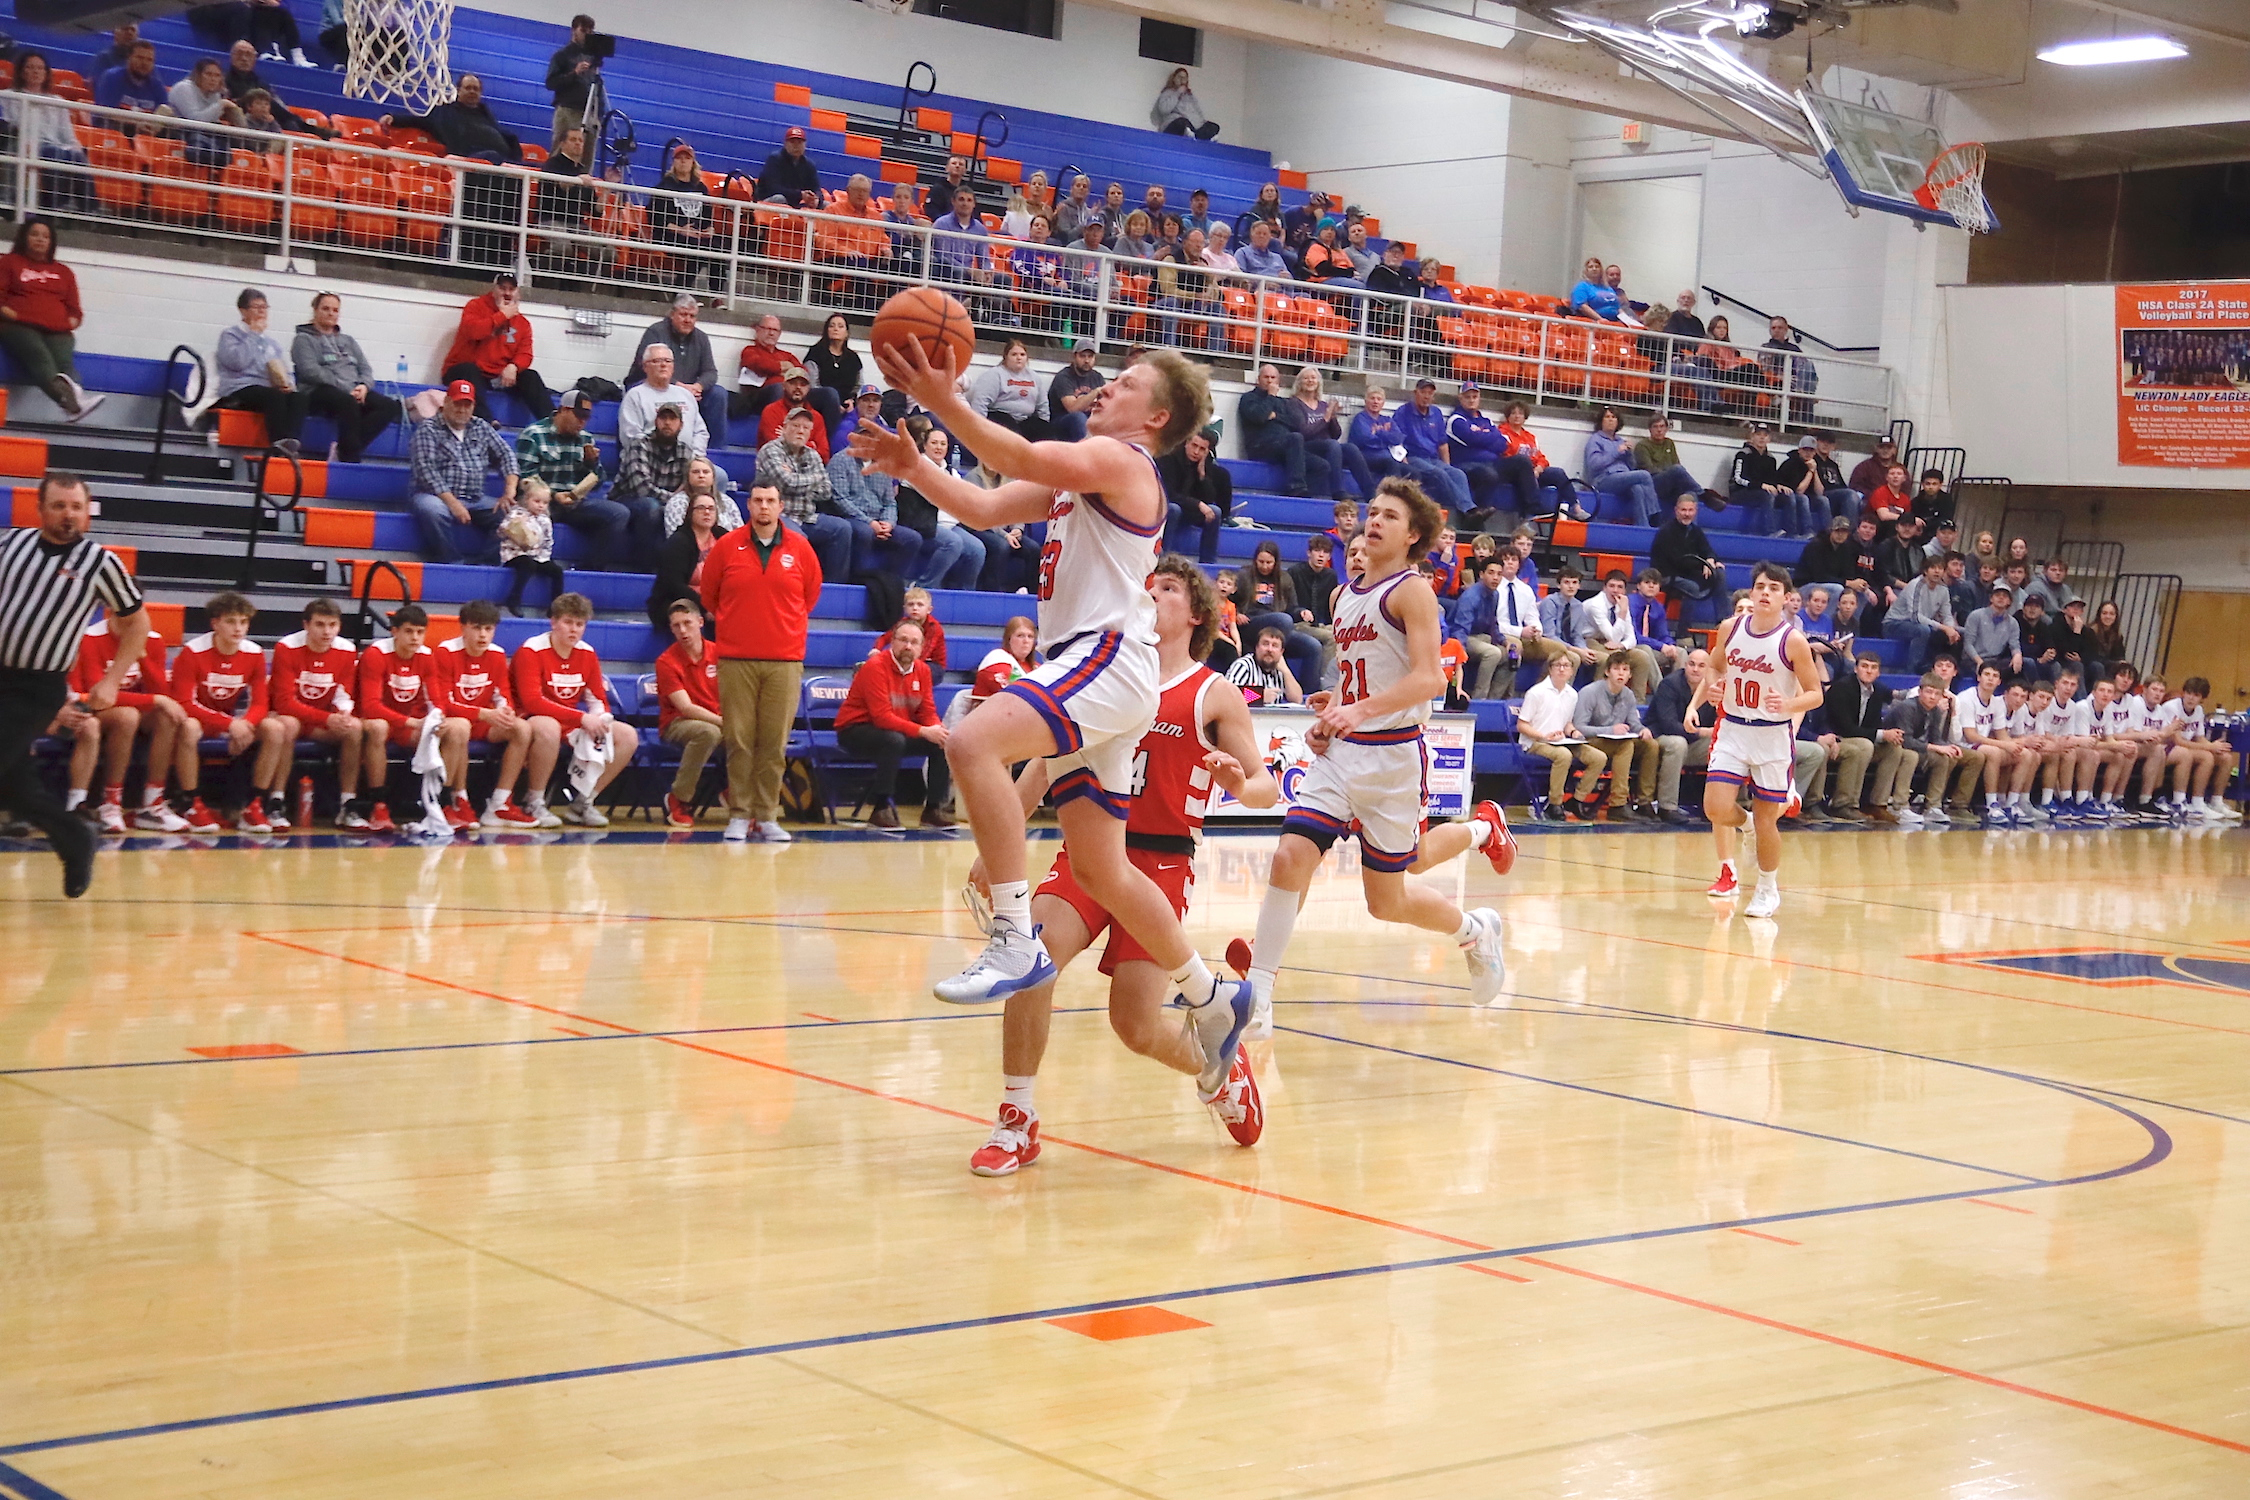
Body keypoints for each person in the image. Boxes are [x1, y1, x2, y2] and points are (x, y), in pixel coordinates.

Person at [851, 341, 1261, 1108]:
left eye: (1127, 383)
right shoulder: (1082, 482)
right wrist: (915, 470)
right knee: (1103, 869)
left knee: (972, 739)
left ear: (1156, 417)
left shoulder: (1122, 461)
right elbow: (983, 506)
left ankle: (1014, 938)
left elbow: (1015, 450)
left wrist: (942, 399)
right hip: (1102, 670)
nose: (1107, 388)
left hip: (1104, 655)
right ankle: (1212, 996)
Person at [967, 559, 1276, 1174]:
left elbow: (1266, 787)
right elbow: (1046, 762)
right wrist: (993, 844)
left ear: (1197, 614)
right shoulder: (1102, 673)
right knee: (1033, 962)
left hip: (1161, 862)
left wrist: (1240, 784)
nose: (1152, 594)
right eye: (1148, 586)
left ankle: (1220, 1069)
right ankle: (1017, 1119)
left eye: (1168, 589)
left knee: (1134, 1026)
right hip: (1089, 848)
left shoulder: (1212, 692)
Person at [1227, 477, 1506, 1034]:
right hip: (1341, 757)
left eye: (1389, 516)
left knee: (1387, 900)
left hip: (1393, 760)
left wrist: (1358, 710)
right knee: (1288, 858)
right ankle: (1257, 996)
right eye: (1372, 511)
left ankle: (1474, 930)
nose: (1375, 520)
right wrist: (1335, 709)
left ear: (1413, 535)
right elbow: (1363, 677)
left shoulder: (1412, 591)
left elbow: (1429, 679)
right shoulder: (1342, 595)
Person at [1, 473, 148, 891]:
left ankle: (75, 836)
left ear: (87, 513)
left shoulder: (101, 562)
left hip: (37, 686)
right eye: (59, 506)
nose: (68, 514)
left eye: (76, 507)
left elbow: (138, 624)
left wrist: (112, 680)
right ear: (40, 509)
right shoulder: (10, 545)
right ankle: (75, 837)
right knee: (14, 786)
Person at [1692, 561, 1823, 917]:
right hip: (1734, 728)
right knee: (1715, 807)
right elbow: (1715, 666)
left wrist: (1789, 704)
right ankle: (1745, 825)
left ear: (1786, 598)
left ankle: (1767, 888)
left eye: (1774, 588)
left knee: (1768, 820)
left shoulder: (1793, 641)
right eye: (1761, 586)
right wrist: (1715, 686)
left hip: (1772, 735)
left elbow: (1815, 694)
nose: (1766, 593)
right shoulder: (1730, 628)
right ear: (1752, 592)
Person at [701, 482, 819, 843]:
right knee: (738, 739)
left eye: (770, 501)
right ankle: (739, 813)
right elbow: (709, 595)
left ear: (781, 506)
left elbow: (810, 596)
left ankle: (767, 815)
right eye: (757, 500)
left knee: (773, 743)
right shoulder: (726, 546)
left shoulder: (800, 548)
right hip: (736, 658)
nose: (764, 506)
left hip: (784, 660)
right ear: (748, 505)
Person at [511, 591, 637, 826]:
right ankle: (534, 801)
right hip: (532, 718)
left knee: (627, 735)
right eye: (568, 622)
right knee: (549, 727)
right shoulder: (531, 650)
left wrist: (600, 719)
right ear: (553, 622)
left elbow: (598, 700)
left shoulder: (587, 653)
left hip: (571, 721)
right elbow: (532, 702)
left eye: (580, 624)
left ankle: (583, 802)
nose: (574, 630)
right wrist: (582, 719)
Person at [351, 601, 477, 832]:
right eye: (409, 631)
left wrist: (437, 719)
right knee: (378, 727)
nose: (415, 638)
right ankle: (378, 805)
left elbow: (436, 701)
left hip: (408, 725)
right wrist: (412, 722)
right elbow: (370, 706)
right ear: (394, 631)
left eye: (420, 632)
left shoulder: (426, 656)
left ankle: (440, 802)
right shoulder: (376, 654)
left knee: (459, 727)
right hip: (376, 722)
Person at [66, 605, 188, 835]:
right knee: (127, 716)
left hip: (132, 706)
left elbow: (160, 690)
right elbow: (98, 695)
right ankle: (111, 803)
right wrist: (155, 700)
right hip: (91, 707)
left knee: (168, 716)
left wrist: (143, 658)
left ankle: (152, 804)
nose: (135, 622)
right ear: (112, 611)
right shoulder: (90, 638)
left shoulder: (152, 639)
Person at [431, 599, 543, 828]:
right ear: (463, 627)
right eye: (477, 628)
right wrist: (483, 714)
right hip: (453, 721)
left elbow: (503, 693)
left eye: (488, 628)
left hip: (482, 721)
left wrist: (506, 711)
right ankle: (456, 800)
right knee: (461, 726)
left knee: (522, 728)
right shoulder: (446, 652)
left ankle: (499, 804)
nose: (483, 635)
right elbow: (444, 704)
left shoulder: (496, 654)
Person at [834, 617, 953, 830]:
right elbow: (881, 717)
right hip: (855, 730)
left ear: (922, 647)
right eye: (903, 640)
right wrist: (923, 731)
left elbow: (927, 711)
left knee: (941, 742)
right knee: (893, 740)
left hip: (895, 730)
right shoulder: (875, 666)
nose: (908, 646)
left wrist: (936, 729)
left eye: (914, 642)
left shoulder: (923, 671)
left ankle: (933, 809)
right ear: (892, 642)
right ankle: (881, 808)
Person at [167, 589, 269, 834]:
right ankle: (191, 803)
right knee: (189, 727)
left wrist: (245, 724)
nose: (238, 628)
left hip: (232, 721)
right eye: (231, 621)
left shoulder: (254, 653)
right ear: (215, 624)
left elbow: (260, 704)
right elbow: (184, 703)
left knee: (274, 729)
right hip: (199, 719)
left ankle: (255, 806)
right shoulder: (192, 652)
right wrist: (230, 725)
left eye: (243, 622)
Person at [261, 597, 362, 830]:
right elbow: (284, 703)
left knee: (354, 728)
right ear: (306, 625)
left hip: (319, 722)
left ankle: (348, 804)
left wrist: (343, 714)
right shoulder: (287, 647)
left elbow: (343, 693)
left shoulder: (347, 650)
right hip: (291, 717)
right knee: (288, 724)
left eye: (332, 625)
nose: (327, 631)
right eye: (320, 624)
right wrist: (327, 718)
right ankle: (276, 801)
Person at [517, 389, 631, 567]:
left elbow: (599, 481)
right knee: (527, 516)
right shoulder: (534, 434)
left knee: (619, 513)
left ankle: (592, 569)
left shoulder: (586, 439)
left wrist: (592, 464)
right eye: (579, 416)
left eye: (587, 418)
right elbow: (526, 478)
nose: (582, 422)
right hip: (542, 502)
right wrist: (553, 495)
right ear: (563, 410)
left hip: (574, 502)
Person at [0, 220, 100, 423]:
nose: (40, 239)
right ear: (24, 237)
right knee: (40, 357)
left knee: (64, 363)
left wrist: (68, 323)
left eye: (45, 236)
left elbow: (75, 310)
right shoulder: (8, 262)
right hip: (19, 326)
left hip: (57, 330)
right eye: (34, 234)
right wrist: (13, 316)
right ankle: (73, 405)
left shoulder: (64, 272)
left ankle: (75, 404)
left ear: (51, 242)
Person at [409, 380, 518, 563]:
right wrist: (453, 503)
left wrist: (509, 491)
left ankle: (486, 565)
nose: (462, 410)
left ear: (473, 406)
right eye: (457, 403)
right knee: (433, 510)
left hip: (475, 497)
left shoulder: (481, 426)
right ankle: (451, 562)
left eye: (467, 405)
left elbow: (506, 454)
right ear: (446, 402)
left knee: (513, 515)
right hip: (434, 496)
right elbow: (426, 471)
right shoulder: (428, 429)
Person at [290, 291, 398, 464]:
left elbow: (365, 369)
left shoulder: (348, 341)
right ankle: (350, 459)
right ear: (315, 310)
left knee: (389, 406)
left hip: (352, 390)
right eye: (326, 309)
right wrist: (346, 388)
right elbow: (310, 371)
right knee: (347, 402)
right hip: (317, 392)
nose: (331, 313)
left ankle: (344, 449)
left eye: (335, 310)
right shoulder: (303, 339)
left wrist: (364, 386)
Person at [650, 597, 725, 828]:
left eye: (687, 623)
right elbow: (686, 708)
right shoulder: (666, 662)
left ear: (700, 622)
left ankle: (737, 795)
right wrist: (724, 722)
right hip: (678, 722)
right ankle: (678, 798)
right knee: (708, 733)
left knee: (750, 733)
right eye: (676, 625)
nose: (682, 630)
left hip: (717, 719)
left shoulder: (719, 653)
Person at [756, 407, 852, 582]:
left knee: (842, 529)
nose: (800, 431)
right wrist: (813, 478)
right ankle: (796, 585)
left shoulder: (813, 455)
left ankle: (834, 586)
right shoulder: (770, 450)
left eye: (806, 428)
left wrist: (795, 477)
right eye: (795, 425)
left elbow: (826, 491)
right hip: (780, 516)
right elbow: (787, 482)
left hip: (808, 517)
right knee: (798, 537)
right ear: (785, 427)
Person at [441, 275, 551, 424]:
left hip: (498, 377)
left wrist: (514, 366)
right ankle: (486, 422)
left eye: (511, 289)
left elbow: (525, 353)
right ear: (494, 290)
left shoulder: (523, 323)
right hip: (465, 372)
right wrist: (502, 316)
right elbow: (474, 332)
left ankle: (554, 423)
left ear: (518, 293)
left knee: (530, 376)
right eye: (502, 288)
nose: (507, 293)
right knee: (469, 370)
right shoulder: (475, 306)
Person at [212, 288, 308, 452]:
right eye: (256, 307)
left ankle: (291, 442)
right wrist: (254, 334)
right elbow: (237, 362)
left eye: (264, 307)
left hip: (266, 389)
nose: (262, 311)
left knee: (299, 398)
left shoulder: (271, 343)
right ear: (243, 311)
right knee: (273, 396)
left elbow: (284, 368)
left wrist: (288, 384)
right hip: (240, 387)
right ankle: (278, 443)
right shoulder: (230, 335)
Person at [623, 294, 728, 441]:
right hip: (651, 384)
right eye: (683, 315)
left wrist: (698, 386)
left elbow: (710, 372)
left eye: (692, 316)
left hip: (689, 391)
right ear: (672, 314)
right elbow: (644, 366)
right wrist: (680, 388)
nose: (688, 320)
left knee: (718, 394)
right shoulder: (655, 332)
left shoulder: (702, 338)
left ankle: (715, 449)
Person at [1574, 649, 1657, 821]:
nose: (1621, 673)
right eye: (1616, 669)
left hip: (1615, 741)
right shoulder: (1590, 692)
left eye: (1625, 670)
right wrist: (1610, 730)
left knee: (1651, 745)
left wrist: (1642, 729)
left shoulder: (1628, 694)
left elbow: (1633, 723)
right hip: (1589, 742)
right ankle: (1618, 804)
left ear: (1630, 675)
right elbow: (1579, 727)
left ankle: (1645, 802)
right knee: (1625, 745)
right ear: (1607, 672)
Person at [7, 56, 95, 218]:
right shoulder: (8, 96)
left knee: (77, 156)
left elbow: (68, 135)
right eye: (30, 67)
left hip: (55, 147)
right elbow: (8, 127)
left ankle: (89, 210)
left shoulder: (57, 101)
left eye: (40, 68)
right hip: (25, 146)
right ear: (21, 71)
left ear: (46, 73)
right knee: (56, 154)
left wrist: (76, 148)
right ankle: (56, 207)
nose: (35, 72)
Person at [825, 437, 921, 579]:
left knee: (912, 539)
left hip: (878, 520)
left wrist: (888, 523)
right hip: (850, 517)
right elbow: (840, 499)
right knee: (864, 532)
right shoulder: (840, 460)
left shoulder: (883, 463)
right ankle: (859, 582)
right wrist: (869, 522)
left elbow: (890, 502)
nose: (867, 444)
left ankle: (891, 583)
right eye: (863, 438)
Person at [379, 74, 521, 163]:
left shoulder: (486, 114)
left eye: (476, 89)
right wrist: (393, 118)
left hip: (501, 159)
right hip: (469, 158)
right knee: (493, 156)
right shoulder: (444, 112)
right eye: (468, 88)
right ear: (458, 90)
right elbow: (421, 121)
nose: (472, 91)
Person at [1819, 650, 1891, 823]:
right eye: (1864, 666)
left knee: (1894, 750)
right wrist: (1881, 734)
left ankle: (1877, 804)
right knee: (1864, 746)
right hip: (1836, 737)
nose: (1869, 671)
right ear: (1855, 669)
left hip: (1858, 738)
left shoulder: (1877, 691)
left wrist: (1887, 735)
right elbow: (1845, 728)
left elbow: (1874, 724)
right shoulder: (1842, 688)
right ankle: (1845, 804)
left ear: (1878, 672)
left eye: (1873, 668)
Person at [1648, 646, 1713, 823]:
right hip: (1660, 739)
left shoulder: (1713, 689)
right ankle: (1667, 807)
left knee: (1725, 745)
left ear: (1709, 669)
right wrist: (1702, 731)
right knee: (1677, 743)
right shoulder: (1669, 684)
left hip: (1692, 743)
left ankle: (1726, 805)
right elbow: (1668, 725)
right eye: (1691, 664)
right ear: (1685, 665)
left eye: (1701, 665)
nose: (1695, 669)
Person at [618, 344, 712, 456]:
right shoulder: (635, 395)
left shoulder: (685, 394)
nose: (663, 365)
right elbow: (631, 437)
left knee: (716, 469)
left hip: (687, 458)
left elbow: (701, 432)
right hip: (648, 459)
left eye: (668, 361)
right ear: (645, 367)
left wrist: (694, 456)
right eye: (657, 361)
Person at [1584, 570, 1661, 699]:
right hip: (1590, 640)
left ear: (1625, 590)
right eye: (1611, 586)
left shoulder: (1622, 604)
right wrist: (1623, 612)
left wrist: (1622, 645)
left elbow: (1632, 638)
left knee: (1642, 656)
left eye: (1620, 587)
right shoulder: (1595, 605)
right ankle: (1598, 699)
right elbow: (1612, 636)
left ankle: (1638, 702)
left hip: (1614, 643)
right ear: (1604, 588)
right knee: (1614, 657)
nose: (1615, 590)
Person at [496, 479, 564, 616]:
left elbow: (548, 541)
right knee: (527, 565)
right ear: (527, 500)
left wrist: (543, 558)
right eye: (537, 501)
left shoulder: (545, 520)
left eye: (545, 503)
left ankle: (555, 606)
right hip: (514, 554)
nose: (541, 506)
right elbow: (501, 533)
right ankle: (514, 600)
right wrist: (514, 525)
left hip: (538, 556)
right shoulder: (516, 513)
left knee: (557, 571)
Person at [1584, 407, 1660, 525]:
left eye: (1613, 417)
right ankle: (1655, 514)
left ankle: (1643, 526)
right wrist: (1617, 452)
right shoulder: (1595, 440)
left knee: (1638, 489)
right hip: (1603, 479)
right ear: (1601, 421)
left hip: (1622, 477)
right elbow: (1594, 464)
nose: (1610, 420)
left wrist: (1629, 454)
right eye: (1607, 417)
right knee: (1644, 475)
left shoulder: (1620, 441)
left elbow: (1632, 467)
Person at [1885, 556, 1960, 673]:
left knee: (1958, 634)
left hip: (1923, 624)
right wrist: (1944, 627)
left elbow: (1947, 615)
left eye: (1940, 568)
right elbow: (1915, 617)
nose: (1937, 571)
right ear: (1925, 571)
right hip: (1895, 623)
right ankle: (1911, 671)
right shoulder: (1915, 585)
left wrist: (1951, 629)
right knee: (1923, 630)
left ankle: (1949, 673)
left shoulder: (1943, 589)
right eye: (1933, 568)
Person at [546, 13, 601, 145]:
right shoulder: (562, 55)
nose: (586, 35)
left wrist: (600, 114)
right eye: (583, 31)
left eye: (590, 32)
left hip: (589, 112)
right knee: (561, 149)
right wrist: (574, 73)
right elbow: (551, 83)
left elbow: (597, 86)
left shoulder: (592, 58)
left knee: (587, 154)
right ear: (573, 30)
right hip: (568, 110)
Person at [94, 40, 168, 124]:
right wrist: (137, 125)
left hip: (144, 130)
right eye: (140, 58)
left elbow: (165, 112)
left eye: (149, 60)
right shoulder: (112, 77)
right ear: (128, 58)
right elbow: (108, 113)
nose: (144, 63)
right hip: (113, 128)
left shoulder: (157, 86)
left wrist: (154, 126)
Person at [1961, 582, 2023, 680]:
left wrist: (2017, 655)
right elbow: (1968, 644)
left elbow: (2014, 644)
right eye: (1997, 595)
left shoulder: (2013, 623)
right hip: (1973, 660)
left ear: (2009, 601)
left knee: (2022, 664)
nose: (2001, 598)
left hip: (1995, 661)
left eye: (2005, 596)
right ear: (1991, 598)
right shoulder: (1976, 615)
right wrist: (1980, 662)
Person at [1048, 341, 1106, 443]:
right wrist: (1095, 392)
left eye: (1090, 356)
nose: (1087, 360)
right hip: (1062, 422)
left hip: (1088, 419)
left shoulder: (1097, 377)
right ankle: (1084, 450)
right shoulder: (1064, 377)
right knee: (1078, 417)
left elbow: (1105, 405)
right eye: (1082, 356)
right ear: (1074, 357)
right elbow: (1072, 408)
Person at [755, 124, 821, 207]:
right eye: (792, 142)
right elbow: (773, 188)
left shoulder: (809, 165)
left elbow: (816, 188)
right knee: (779, 199)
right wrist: (800, 194)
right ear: (785, 144)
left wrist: (816, 198)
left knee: (825, 204)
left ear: (805, 145)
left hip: (794, 204)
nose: (796, 146)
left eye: (799, 142)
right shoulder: (774, 159)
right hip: (767, 202)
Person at [1151, 67, 1220, 140]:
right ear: (1174, 79)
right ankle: (1189, 134)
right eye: (1179, 77)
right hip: (1176, 124)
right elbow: (1164, 110)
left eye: (1184, 78)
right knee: (1182, 122)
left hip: (1193, 126)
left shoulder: (1190, 96)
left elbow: (1198, 113)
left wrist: (1202, 124)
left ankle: (1198, 136)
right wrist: (1178, 93)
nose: (1182, 80)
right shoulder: (1168, 92)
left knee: (1214, 126)